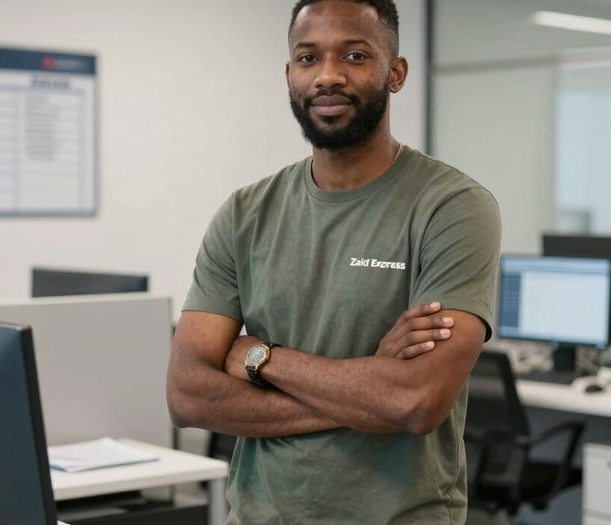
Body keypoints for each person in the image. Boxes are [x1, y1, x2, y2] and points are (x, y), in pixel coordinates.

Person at [166, 0, 501, 523]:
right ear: (288, 74)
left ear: (396, 73)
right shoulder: (244, 213)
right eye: (308, 58)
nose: (328, 76)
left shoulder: (451, 206)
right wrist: (371, 387)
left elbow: (415, 402)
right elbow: (187, 396)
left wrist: (261, 360)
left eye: (354, 55)